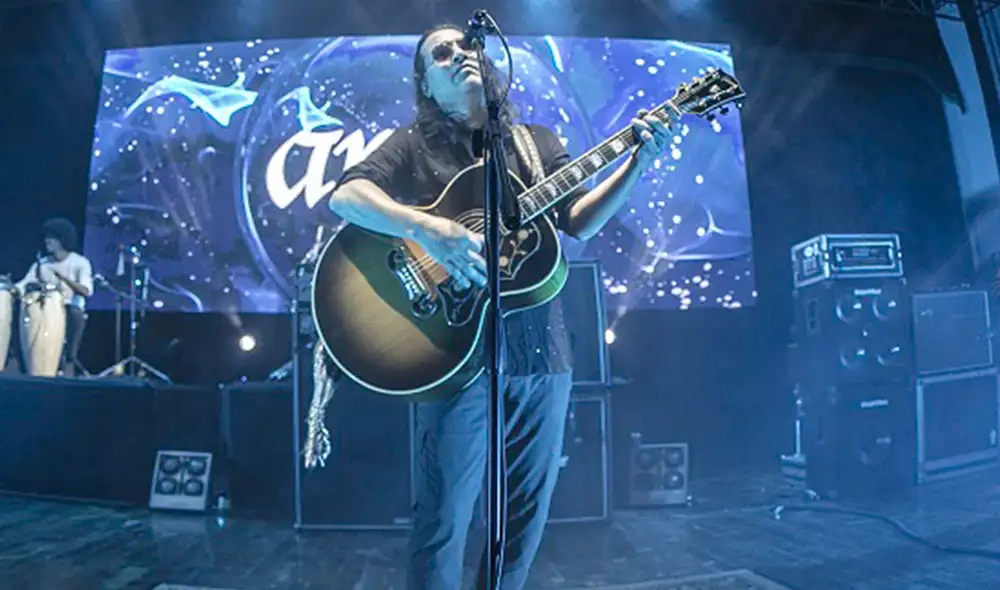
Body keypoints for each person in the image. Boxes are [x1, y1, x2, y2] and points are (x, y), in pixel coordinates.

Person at [329, 25, 673, 590]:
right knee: (443, 519)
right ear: (426, 83)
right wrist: (428, 228)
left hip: (541, 351)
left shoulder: (535, 143)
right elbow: (346, 195)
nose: (460, 54)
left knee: (522, 523)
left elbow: (578, 219)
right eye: (442, 53)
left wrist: (633, 163)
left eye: (467, 46)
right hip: (452, 356)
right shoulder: (413, 143)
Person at [15, 218, 94, 376]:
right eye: (46, 237)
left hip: (69, 306)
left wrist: (64, 278)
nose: (47, 241)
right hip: (44, 309)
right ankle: (24, 362)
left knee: (75, 314)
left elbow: (86, 291)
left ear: (62, 240)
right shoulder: (42, 264)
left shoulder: (80, 263)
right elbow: (24, 283)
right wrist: (11, 288)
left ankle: (70, 361)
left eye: (51, 238)